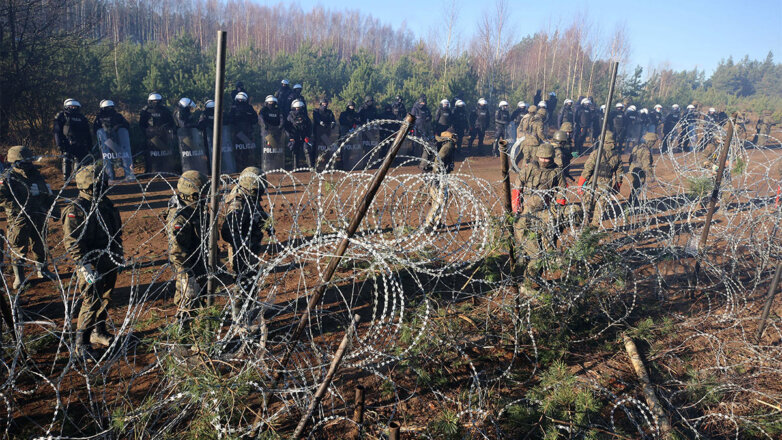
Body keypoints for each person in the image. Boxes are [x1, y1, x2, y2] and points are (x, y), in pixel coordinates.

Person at [63, 163, 123, 357]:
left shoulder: (106, 204)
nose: (104, 186)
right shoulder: (77, 209)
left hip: (108, 259)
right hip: (90, 262)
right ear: (88, 186)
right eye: (99, 183)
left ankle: (98, 331)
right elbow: (72, 241)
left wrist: (118, 254)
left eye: (104, 182)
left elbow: (116, 233)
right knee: (91, 300)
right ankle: (81, 343)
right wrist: (84, 265)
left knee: (106, 297)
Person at [221, 167, 274, 325]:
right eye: (258, 190)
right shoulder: (238, 202)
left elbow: (257, 212)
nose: (261, 193)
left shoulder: (250, 196)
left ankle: (250, 308)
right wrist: (242, 246)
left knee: (251, 280)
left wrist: (265, 221)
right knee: (243, 282)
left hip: (250, 247)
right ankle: (240, 318)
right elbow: (228, 230)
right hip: (241, 250)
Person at [0, 146, 59, 289]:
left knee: (40, 243)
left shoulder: (35, 174)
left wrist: (54, 209)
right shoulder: (7, 178)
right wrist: (20, 208)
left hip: (37, 214)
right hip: (19, 219)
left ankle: (42, 270)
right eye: (25, 161)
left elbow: (46, 192)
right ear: (15, 162)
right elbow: (3, 199)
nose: (28, 164)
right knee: (19, 245)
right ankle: (19, 277)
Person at [513, 143, 566, 279]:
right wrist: (516, 204)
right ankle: (524, 258)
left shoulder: (556, 172)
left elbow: (562, 190)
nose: (544, 161)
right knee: (524, 233)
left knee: (550, 232)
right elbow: (518, 185)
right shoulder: (529, 168)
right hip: (527, 208)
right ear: (537, 156)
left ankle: (550, 257)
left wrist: (558, 207)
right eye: (542, 158)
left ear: (552, 158)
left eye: (547, 158)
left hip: (545, 209)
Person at [166, 170, 207, 322]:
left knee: (201, 302)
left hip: (201, 263)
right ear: (191, 193)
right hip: (189, 267)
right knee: (187, 303)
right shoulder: (180, 217)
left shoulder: (196, 209)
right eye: (202, 193)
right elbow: (177, 252)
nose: (206, 196)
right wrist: (186, 277)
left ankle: (199, 329)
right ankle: (181, 333)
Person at [577, 131, 623, 224]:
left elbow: (587, 170)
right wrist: (617, 187)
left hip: (593, 182)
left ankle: (584, 222)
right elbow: (619, 175)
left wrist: (580, 185)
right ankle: (595, 225)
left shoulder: (596, 153)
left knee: (587, 204)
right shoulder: (617, 156)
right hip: (606, 184)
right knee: (600, 207)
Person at [422, 129, 457, 230]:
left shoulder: (442, 143)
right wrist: (438, 174)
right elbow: (439, 158)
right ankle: (428, 224)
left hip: (434, 175)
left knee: (437, 199)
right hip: (438, 176)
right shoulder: (448, 145)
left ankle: (437, 221)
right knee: (440, 200)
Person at [93, 99, 134, 181]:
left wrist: (117, 127)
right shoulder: (99, 117)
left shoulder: (117, 116)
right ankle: (110, 176)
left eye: (110, 107)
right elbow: (96, 130)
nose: (109, 109)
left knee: (124, 156)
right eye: (107, 107)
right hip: (106, 142)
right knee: (108, 158)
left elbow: (126, 126)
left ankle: (128, 175)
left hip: (119, 141)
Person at [54, 99, 93, 181]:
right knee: (66, 159)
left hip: (80, 143)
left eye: (75, 107)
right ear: (66, 107)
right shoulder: (62, 116)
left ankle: (77, 176)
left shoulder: (82, 117)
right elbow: (57, 131)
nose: (74, 108)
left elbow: (87, 132)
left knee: (79, 160)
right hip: (67, 142)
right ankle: (66, 177)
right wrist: (59, 144)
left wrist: (89, 145)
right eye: (72, 107)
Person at [627, 132, 656, 207]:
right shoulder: (646, 151)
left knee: (635, 187)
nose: (653, 144)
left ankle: (633, 202)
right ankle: (631, 204)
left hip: (632, 169)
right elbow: (647, 165)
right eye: (653, 142)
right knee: (637, 188)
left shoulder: (636, 147)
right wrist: (651, 176)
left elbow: (630, 159)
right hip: (639, 172)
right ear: (650, 141)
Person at [285, 100, 313, 168]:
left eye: (299, 108)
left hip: (304, 136)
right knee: (295, 150)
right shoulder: (290, 116)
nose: (298, 110)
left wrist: (308, 136)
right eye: (297, 108)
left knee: (307, 149)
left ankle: (310, 167)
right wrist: (290, 137)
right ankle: (295, 167)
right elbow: (286, 127)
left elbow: (309, 126)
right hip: (294, 137)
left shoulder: (304, 116)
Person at [312, 97, 336, 166]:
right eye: (323, 104)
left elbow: (332, 119)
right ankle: (314, 162)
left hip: (327, 132)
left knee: (327, 146)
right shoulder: (316, 111)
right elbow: (316, 118)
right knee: (316, 146)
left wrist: (333, 123)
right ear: (320, 104)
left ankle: (327, 161)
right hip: (317, 132)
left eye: (325, 104)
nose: (324, 105)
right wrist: (320, 122)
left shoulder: (329, 112)